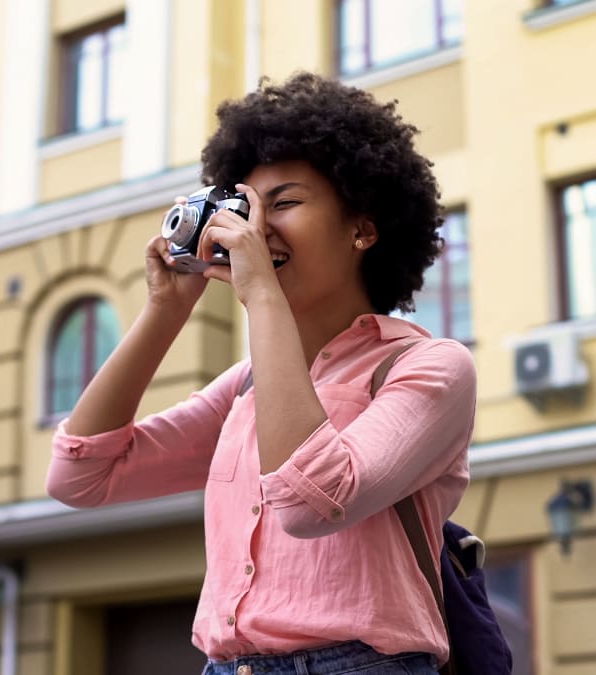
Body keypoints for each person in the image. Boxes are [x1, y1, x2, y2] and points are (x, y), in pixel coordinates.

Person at [47, 72, 477, 675]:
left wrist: (262, 296)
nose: (256, 227)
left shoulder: (428, 367)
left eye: (285, 203)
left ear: (363, 228)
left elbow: (310, 503)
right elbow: (80, 475)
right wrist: (165, 310)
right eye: (244, 207)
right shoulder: (246, 385)